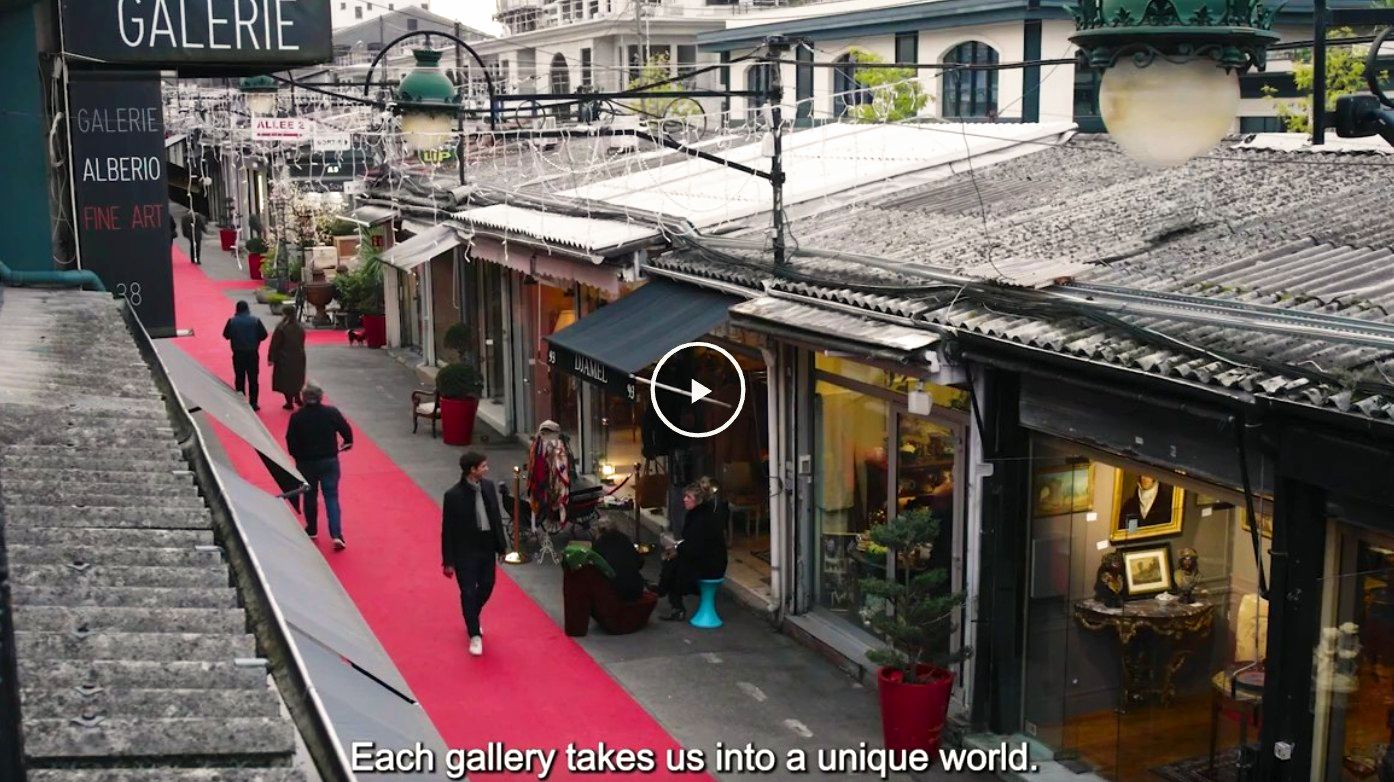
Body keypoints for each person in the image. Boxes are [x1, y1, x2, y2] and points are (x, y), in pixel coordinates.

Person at [442, 451, 508, 656]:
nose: (487, 469)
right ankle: (474, 634)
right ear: (472, 470)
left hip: (486, 546)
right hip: (465, 551)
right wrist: (448, 561)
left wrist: (502, 547)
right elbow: (448, 529)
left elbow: (496, 518)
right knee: (468, 591)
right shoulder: (453, 496)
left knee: (488, 585)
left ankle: (471, 614)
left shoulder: (488, 487)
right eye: (483, 466)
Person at [286, 383, 353, 549]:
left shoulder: (297, 417)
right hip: (329, 459)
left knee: (310, 496)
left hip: (306, 463)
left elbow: (291, 441)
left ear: (303, 397)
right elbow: (346, 430)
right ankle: (336, 534)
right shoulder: (331, 413)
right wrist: (347, 442)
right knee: (331, 496)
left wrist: (298, 457)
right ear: (320, 396)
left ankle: (312, 528)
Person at [656, 483, 728, 621]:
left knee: (673, 565)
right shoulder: (702, 514)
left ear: (698, 500)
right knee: (673, 562)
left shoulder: (700, 518)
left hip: (711, 565)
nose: (684, 499)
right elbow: (694, 544)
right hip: (709, 559)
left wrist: (676, 550)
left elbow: (695, 547)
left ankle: (666, 593)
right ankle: (666, 592)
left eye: (688, 497)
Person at [222, 301, 268, 410]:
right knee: (253, 378)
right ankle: (253, 403)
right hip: (252, 353)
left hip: (238, 353)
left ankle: (241, 401)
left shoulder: (232, 321)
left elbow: (226, 335)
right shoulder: (255, 320)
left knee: (239, 377)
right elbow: (264, 335)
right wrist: (256, 340)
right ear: (247, 308)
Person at [592, 518, 646, 602]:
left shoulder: (598, 544)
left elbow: (596, 569)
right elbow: (640, 562)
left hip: (614, 592)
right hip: (636, 589)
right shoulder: (625, 539)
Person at [267, 303, 306, 410]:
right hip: (298, 356)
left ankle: (289, 402)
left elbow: (275, 344)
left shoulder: (281, 327)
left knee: (285, 380)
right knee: (297, 378)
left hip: (284, 357)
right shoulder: (299, 327)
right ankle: (297, 397)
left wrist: (271, 358)